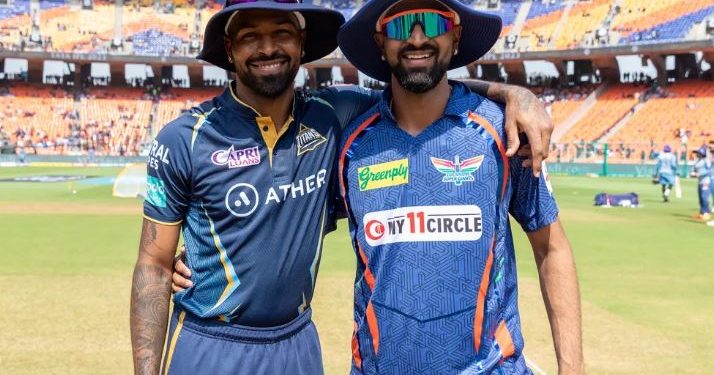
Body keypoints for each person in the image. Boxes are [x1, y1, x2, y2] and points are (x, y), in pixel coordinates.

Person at [139, 1, 555, 375]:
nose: (267, 48)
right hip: (209, 344)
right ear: (229, 49)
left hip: (298, 343)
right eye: (250, 36)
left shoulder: (333, 114)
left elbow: (421, 82)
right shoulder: (184, 138)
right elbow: (153, 264)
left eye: (282, 33)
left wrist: (514, 94)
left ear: (301, 44)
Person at [333, 0, 583, 372]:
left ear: (456, 37)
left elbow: (552, 249)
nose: (417, 38)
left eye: (433, 23)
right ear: (381, 42)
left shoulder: (504, 132)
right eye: (401, 27)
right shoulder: (352, 144)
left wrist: (573, 368)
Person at [691, 146, 711, 221]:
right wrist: (693, 173)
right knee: (700, 198)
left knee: (704, 197)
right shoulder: (697, 161)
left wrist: (700, 174)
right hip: (700, 181)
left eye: (698, 153)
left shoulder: (706, 161)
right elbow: (695, 169)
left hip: (705, 181)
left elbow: (709, 171)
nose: (696, 154)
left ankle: (706, 213)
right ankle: (702, 213)